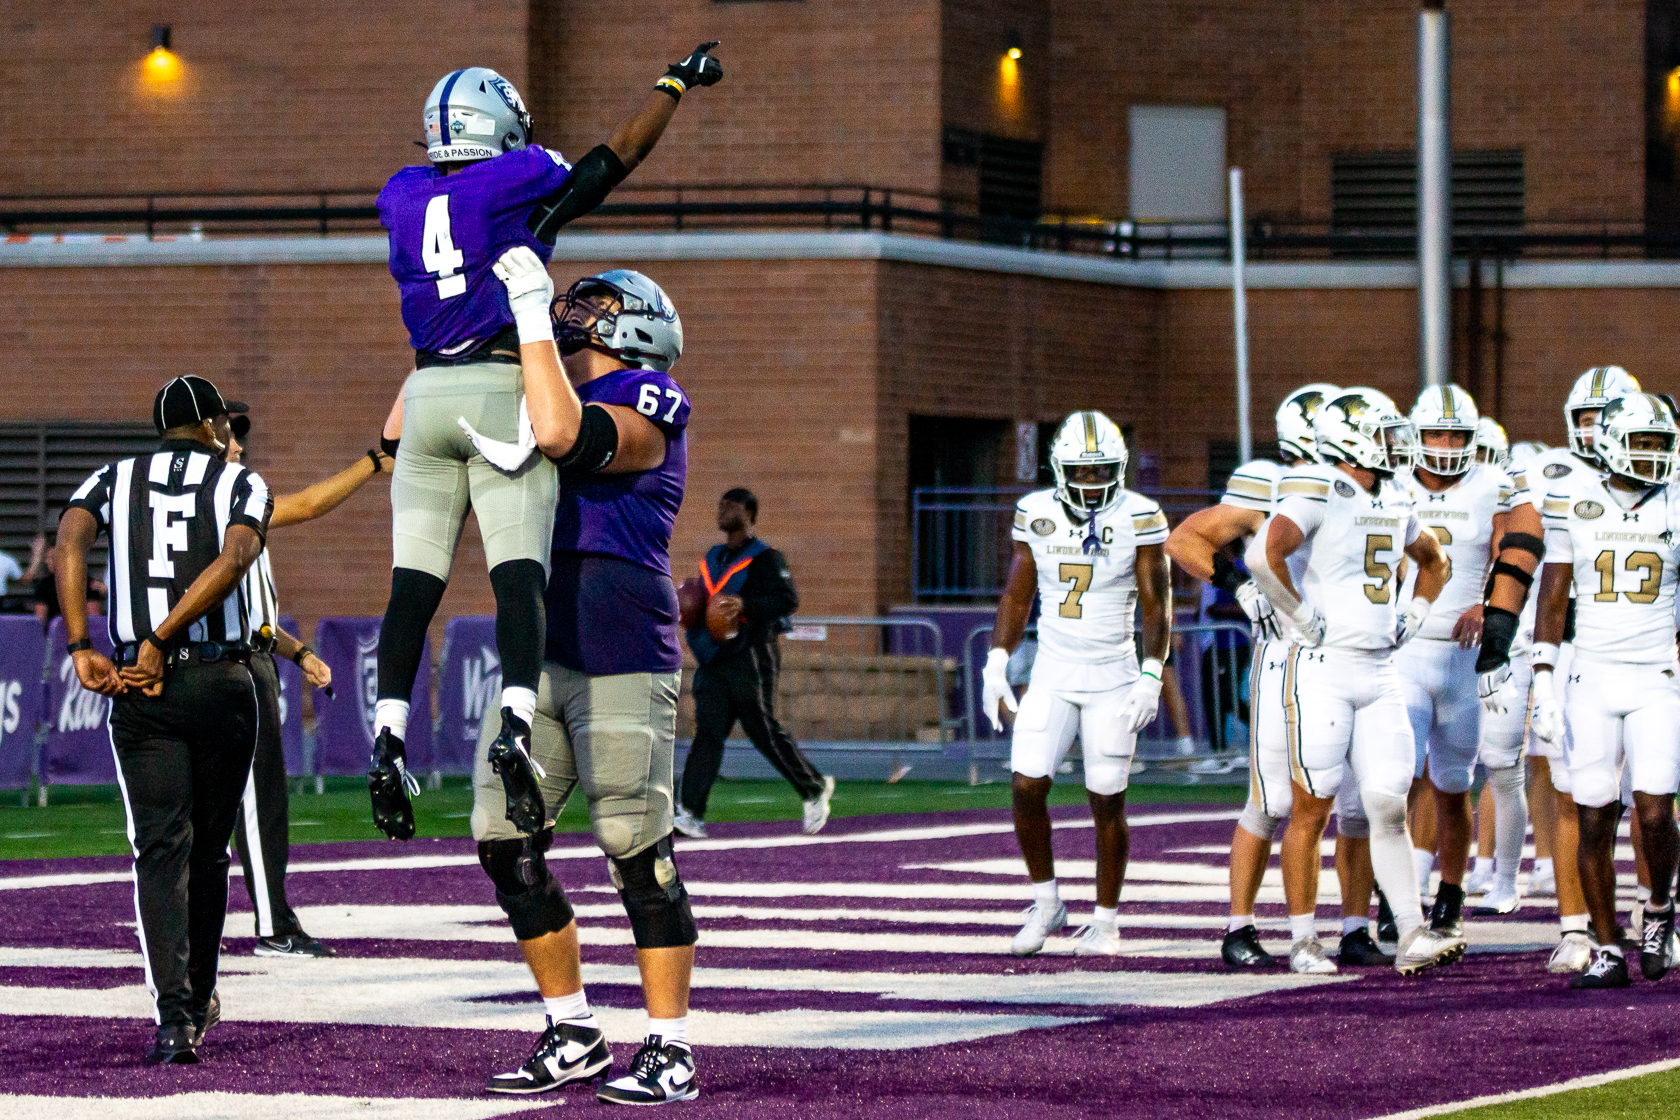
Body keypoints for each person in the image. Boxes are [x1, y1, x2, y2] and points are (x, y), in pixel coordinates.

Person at [369, 46, 724, 845]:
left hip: (424, 393)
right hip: (498, 388)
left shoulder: (400, 192)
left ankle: (387, 736)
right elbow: (617, 156)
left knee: (411, 588)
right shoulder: (519, 176)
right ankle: (516, 728)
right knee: (518, 574)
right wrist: (671, 84)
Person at [463, 248, 699, 1104]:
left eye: (597, 302)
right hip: (542, 651)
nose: (577, 309)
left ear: (637, 325)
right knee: (504, 839)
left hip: (623, 646)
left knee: (637, 848)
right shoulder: (550, 385)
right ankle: (573, 1029)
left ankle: (670, 1047)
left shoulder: (645, 392)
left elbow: (573, 437)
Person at [54, 375, 270, 1064]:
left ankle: (174, 1017)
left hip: (140, 690)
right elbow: (236, 557)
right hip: (215, 677)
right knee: (208, 850)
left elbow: (67, 541)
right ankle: (196, 996)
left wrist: (82, 643)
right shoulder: (240, 481)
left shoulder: (112, 477)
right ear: (211, 426)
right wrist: (165, 636)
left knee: (159, 849)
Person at [1167, 383, 1390, 969]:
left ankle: (1356, 926)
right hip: (1285, 658)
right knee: (1271, 801)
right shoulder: (1272, 481)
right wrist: (1238, 583)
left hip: (1349, 660)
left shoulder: (1366, 490)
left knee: (1359, 806)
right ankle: (1240, 927)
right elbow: (1184, 538)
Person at [1248, 387, 1466, 975]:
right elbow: (1263, 557)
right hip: (1320, 669)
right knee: (1310, 809)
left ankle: (1414, 933)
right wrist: (1297, 614)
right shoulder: (1316, 486)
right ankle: (1302, 940)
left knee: (1385, 804)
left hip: (1378, 670)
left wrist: (1415, 614)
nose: (1397, 444)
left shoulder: (1395, 496)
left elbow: (1435, 560)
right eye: (1384, 432)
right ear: (1350, 437)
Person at [982, 411, 1172, 958]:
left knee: (1106, 799)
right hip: (1053, 671)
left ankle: (1107, 921)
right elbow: (1018, 595)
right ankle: (1047, 903)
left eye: (1102, 471)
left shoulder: (1139, 515)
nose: (1091, 483)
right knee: (1025, 784)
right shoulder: (1035, 511)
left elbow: (1157, 606)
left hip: (1113, 675)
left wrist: (1150, 674)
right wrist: (997, 662)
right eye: (1082, 473)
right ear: (1060, 469)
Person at [1484, 366, 1641, 974]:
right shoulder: (1547, 475)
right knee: (1572, 787)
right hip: (1570, 645)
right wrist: (1502, 625)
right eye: (1586, 418)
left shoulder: (1666, 478)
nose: (1597, 429)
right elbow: (1516, 548)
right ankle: (1578, 926)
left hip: (1647, 649)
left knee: (1653, 793)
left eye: (1608, 417)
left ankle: (1655, 914)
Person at [225, 413, 392, 956]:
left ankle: (227, 922)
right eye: (229, 436)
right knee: (254, 802)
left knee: (232, 807)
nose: (240, 447)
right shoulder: (224, 502)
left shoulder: (221, 502)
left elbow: (246, 612)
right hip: (229, 672)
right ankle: (272, 925)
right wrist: (370, 464)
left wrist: (297, 652)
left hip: (238, 659)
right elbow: (309, 504)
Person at [1531, 392, 1680, 988]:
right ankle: (1607, 945)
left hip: (1655, 676)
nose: (1654, 454)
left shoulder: (1676, 498)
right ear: (1614, 442)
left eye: (1660, 442)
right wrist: (1543, 674)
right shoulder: (1575, 495)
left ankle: (1660, 912)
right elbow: (1554, 590)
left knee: (1655, 808)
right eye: (1643, 442)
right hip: (1590, 673)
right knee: (1593, 816)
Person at [1390, 385, 1527, 939]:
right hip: (1404, 653)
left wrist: (1486, 603)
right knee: (1392, 782)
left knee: (1452, 783)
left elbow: (1513, 548)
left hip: (1462, 657)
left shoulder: (1493, 484)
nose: (1446, 444)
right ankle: (1395, 894)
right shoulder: (1393, 483)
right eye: (1436, 433)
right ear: (1415, 437)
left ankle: (1450, 892)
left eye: (1457, 435)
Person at [674, 489, 833, 838]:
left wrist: (744, 605)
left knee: (762, 730)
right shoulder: (713, 557)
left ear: (749, 513)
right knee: (708, 731)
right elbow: (702, 601)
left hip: (751, 654)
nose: (723, 509)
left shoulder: (766, 558)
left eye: (732, 504)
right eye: (720, 504)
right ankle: (689, 811)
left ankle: (814, 787)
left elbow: (787, 600)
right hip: (715, 657)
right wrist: (689, 605)